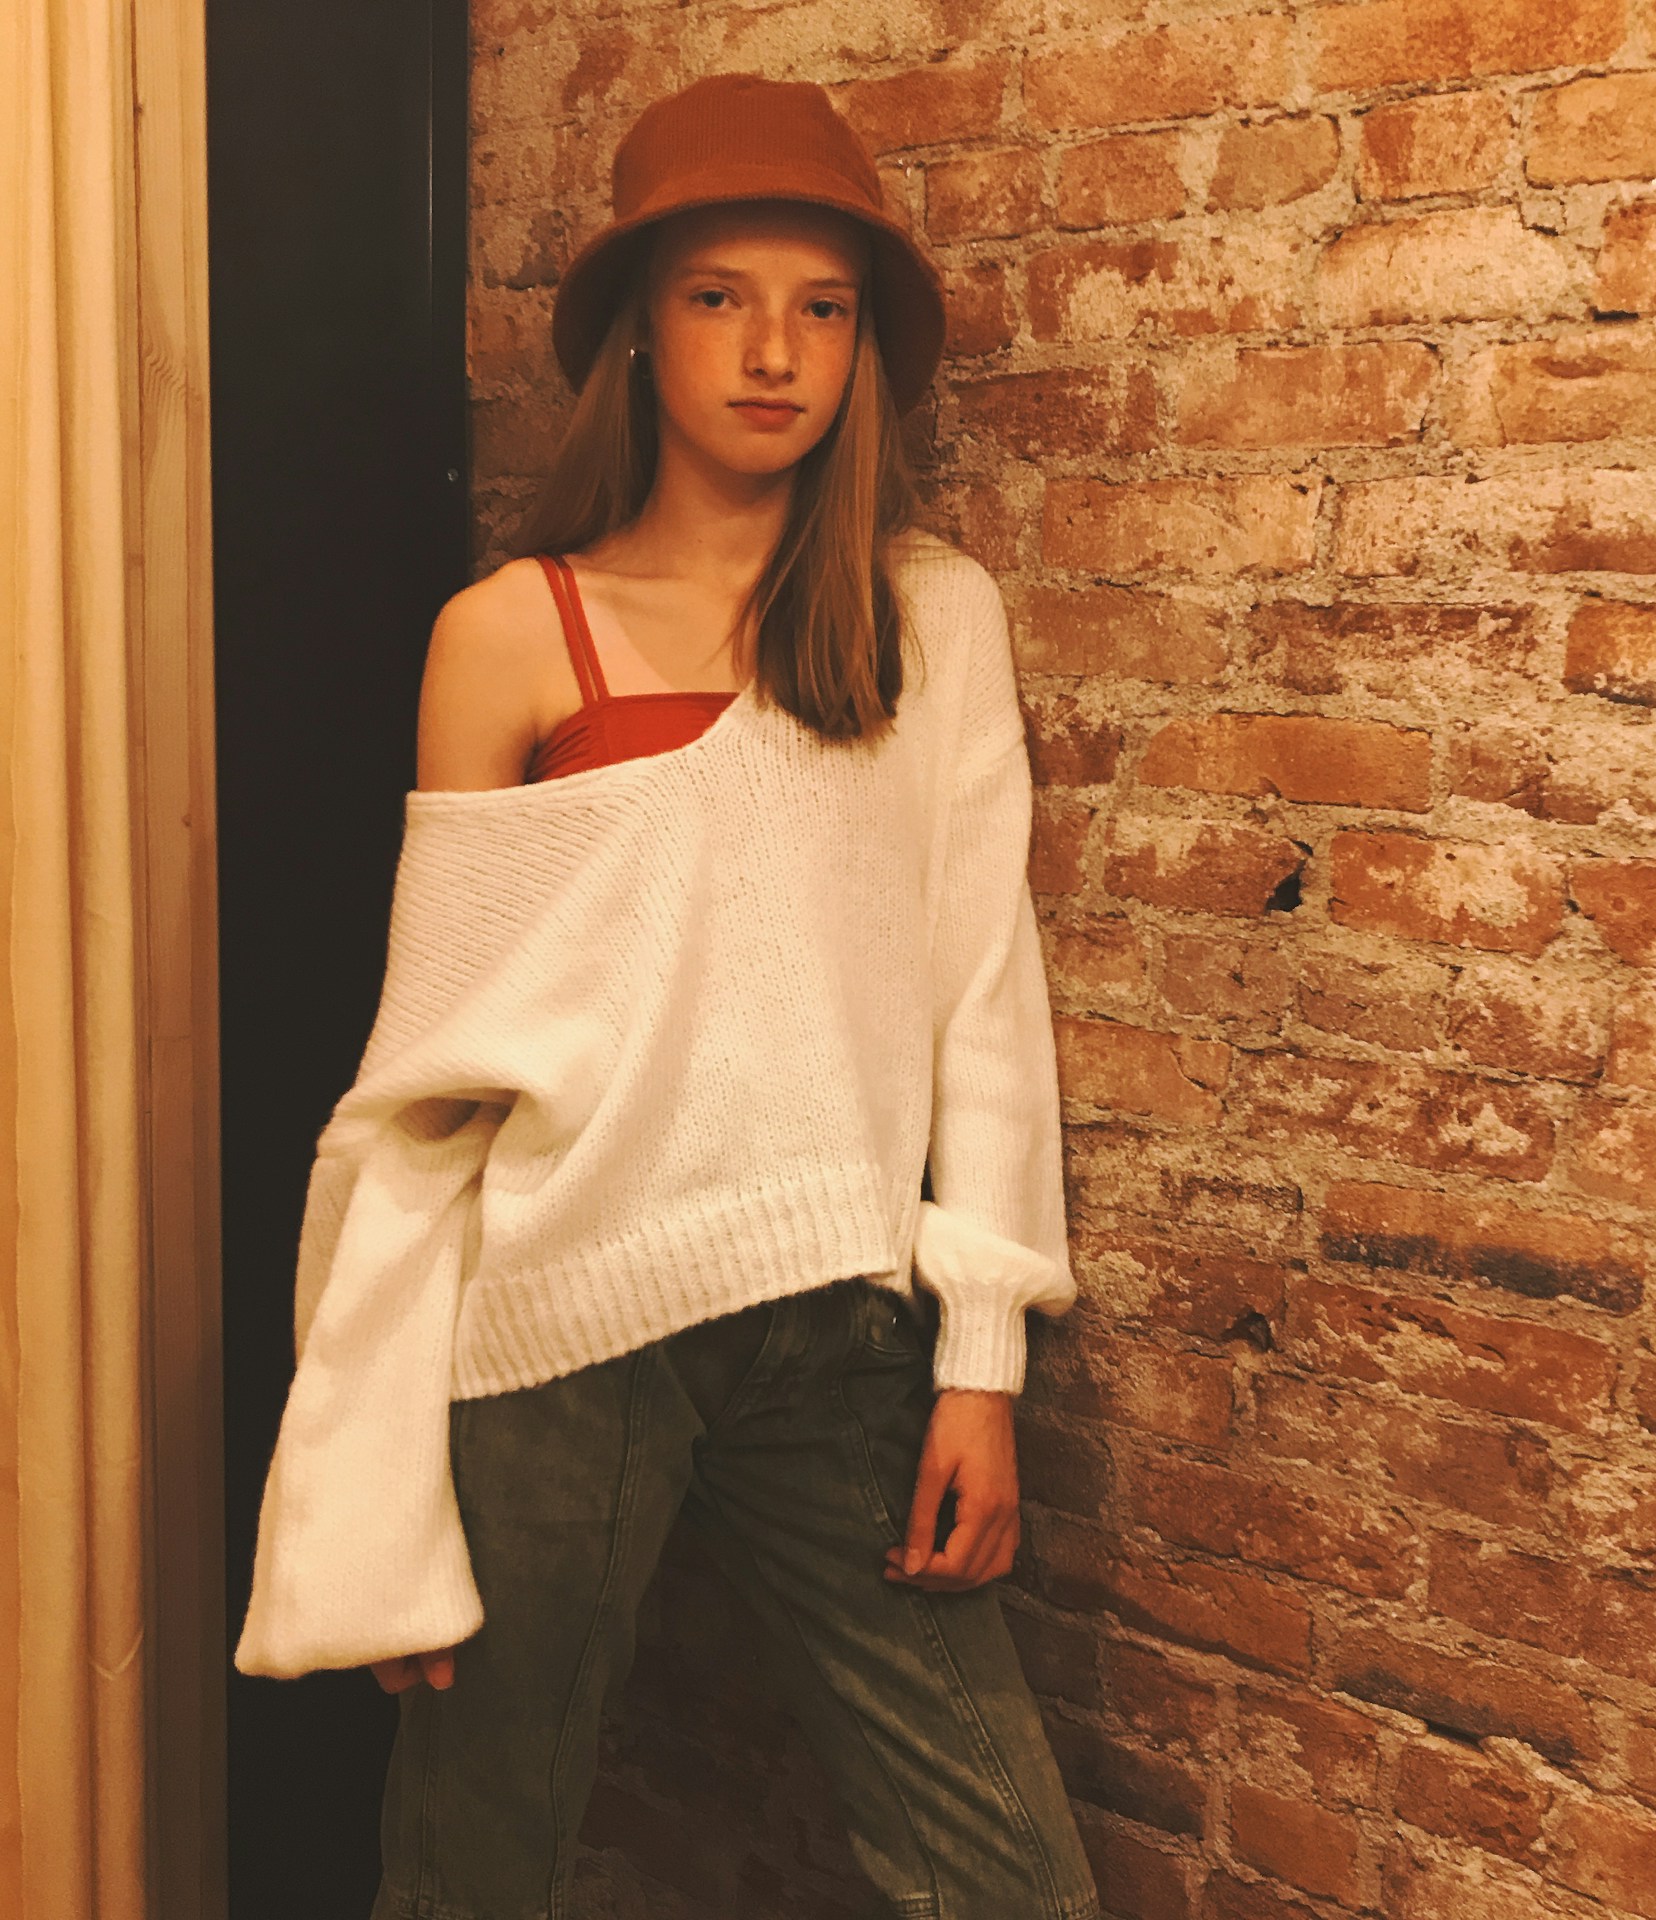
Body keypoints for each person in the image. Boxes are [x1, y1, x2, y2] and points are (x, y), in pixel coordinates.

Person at [232, 71, 1101, 1920]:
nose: (774, 349)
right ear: (639, 328)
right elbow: (428, 1089)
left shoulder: (927, 618)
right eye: (719, 295)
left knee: (1010, 1878)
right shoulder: (506, 635)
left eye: (824, 304)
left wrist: (982, 1360)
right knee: (475, 1869)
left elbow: (981, 999)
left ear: (864, 344)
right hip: (554, 1348)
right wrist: (383, 1499)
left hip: (835, 1336)